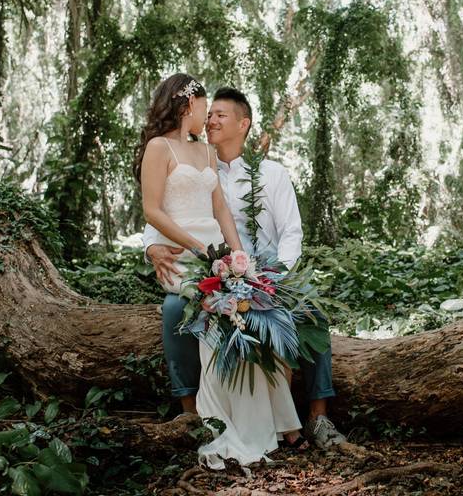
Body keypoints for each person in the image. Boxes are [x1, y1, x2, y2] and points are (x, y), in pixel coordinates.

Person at [144, 86, 347, 449]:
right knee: (176, 309)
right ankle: (190, 411)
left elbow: (291, 233)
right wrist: (152, 248)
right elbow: (163, 209)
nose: (211, 120)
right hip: (210, 270)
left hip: (267, 271)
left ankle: (318, 416)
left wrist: (274, 278)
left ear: (244, 123)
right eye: (209, 114)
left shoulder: (272, 174)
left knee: (311, 309)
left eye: (220, 114)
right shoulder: (196, 162)